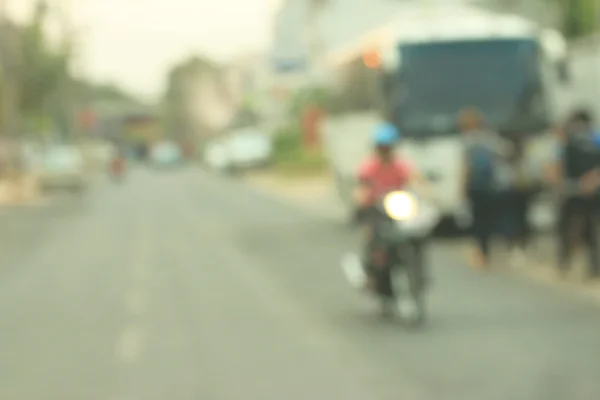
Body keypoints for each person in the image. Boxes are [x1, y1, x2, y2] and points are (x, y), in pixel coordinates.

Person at [343, 122, 428, 292]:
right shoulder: (369, 166)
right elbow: (361, 187)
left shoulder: (401, 164)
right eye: (382, 147)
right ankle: (372, 273)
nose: (385, 150)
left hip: (399, 209)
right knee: (374, 240)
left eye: (388, 147)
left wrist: (426, 193)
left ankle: (419, 272)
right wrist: (362, 197)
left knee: (419, 234)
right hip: (376, 210)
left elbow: (415, 179)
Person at [553, 109, 600, 279]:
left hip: (576, 191)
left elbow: (558, 165)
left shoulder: (570, 141)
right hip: (586, 190)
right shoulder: (592, 138)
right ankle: (589, 266)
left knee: (570, 227)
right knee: (587, 229)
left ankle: (567, 263)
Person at [459, 107, 507, 270]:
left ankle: (482, 255)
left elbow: (467, 167)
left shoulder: (468, 141)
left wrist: (462, 189)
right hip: (491, 187)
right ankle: (488, 253)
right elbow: (502, 156)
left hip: (476, 187)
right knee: (489, 220)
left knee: (478, 222)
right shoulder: (490, 139)